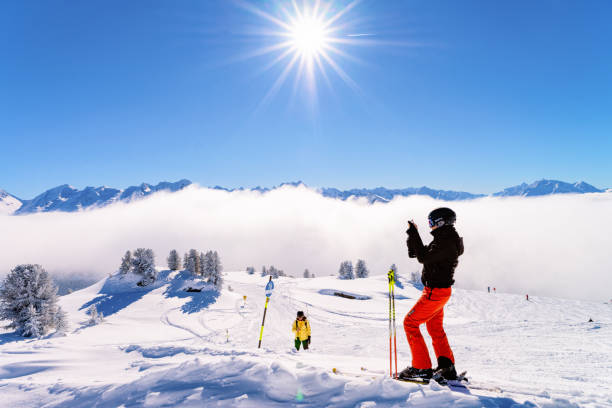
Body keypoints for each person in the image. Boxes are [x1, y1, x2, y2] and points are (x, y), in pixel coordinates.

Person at [400, 207, 464, 381]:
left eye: (431, 223)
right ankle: (446, 367)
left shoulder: (445, 242)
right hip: (440, 292)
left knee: (410, 323)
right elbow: (417, 253)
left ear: (441, 222)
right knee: (434, 328)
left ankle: (421, 367)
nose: (430, 226)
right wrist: (412, 235)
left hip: (434, 292)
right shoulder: (445, 239)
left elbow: (423, 258)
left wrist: (414, 234)